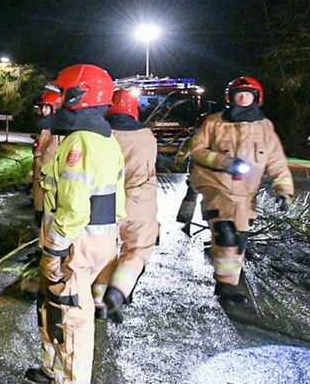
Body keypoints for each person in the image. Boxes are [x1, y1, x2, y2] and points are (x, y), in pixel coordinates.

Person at [28, 64, 125, 384]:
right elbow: (119, 200)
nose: (59, 101)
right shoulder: (105, 138)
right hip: (95, 239)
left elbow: (72, 209)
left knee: (69, 311)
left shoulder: (78, 143)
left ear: (80, 96)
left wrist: (55, 248)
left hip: (75, 242)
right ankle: (53, 370)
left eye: (64, 93)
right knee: (55, 304)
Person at [184, 76, 294, 302]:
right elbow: (195, 151)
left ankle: (227, 283)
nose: (243, 97)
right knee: (225, 233)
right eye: (239, 93)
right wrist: (224, 162)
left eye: (248, 94)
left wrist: (284, 189)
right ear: (230, 97)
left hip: (246, 195)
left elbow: (276, 162)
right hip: (216, 187)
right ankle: (226, 285)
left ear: (257, 98)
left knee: (238, 239)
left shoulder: (264, 127)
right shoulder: (215, 122)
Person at [93, 88, 158, 323]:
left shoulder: (101, 135)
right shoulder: (147, 136)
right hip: (139, 202)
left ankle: (98, 302)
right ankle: (119, 290)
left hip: (107, 201)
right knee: (138, 249)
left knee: (106, 251)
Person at [30, 89, 63, 230]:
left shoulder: (56, 133)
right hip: (40, 182)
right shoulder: (45, 129)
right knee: (40, 217)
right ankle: (41, 247)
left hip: (47, 184)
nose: (42, 111)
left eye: (46, 107)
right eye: (42, 107)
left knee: (46, 218)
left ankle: (44, 248)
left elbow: (46, 160)